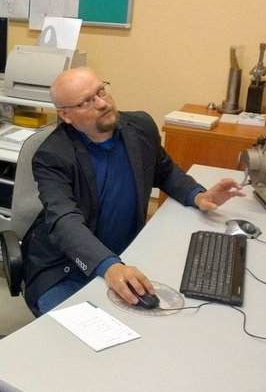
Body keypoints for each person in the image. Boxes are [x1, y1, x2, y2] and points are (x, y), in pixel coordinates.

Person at [22, 67, 244, 315]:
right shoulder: (52, 156)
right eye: (87, 101)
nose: (102, 103)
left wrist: (198, 195)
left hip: (128, 253)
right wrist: (109, 267)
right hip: (68, 266)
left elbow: (164, 170)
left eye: (101, 91)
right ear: (66, 115)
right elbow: (64, 221)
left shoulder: (140, 127)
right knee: (86, 340)